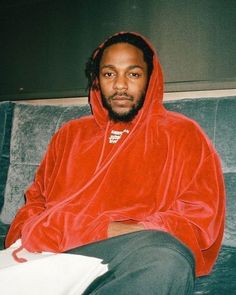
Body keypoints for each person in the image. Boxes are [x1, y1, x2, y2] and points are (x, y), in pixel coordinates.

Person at [5, 32, 225, 294]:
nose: (120, 85)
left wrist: (112, 231)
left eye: (133, 74)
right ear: (97, 80)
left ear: (150, 78)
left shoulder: (183, 133)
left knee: (166, 260)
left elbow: (198, 219)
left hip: (129, 256)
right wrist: (53, 231)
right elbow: (34, 204)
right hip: (53, 252)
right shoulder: (69, 134)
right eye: (110, 74)